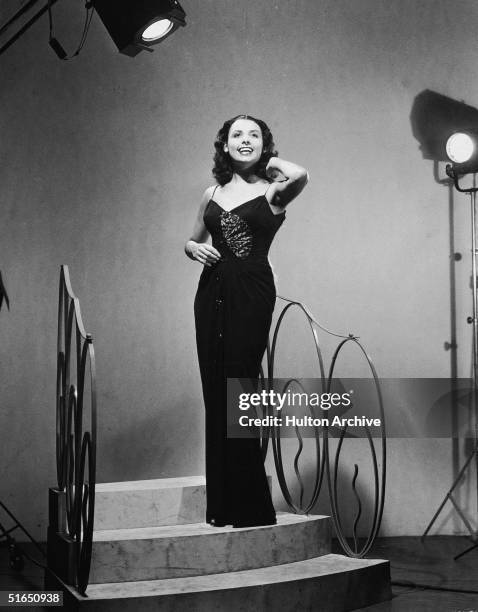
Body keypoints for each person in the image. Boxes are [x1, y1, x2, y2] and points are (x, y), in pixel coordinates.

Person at [185, 114, 308, 527]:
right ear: (223, 145)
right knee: (216, 392)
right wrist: (192, 248)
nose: (245, 140)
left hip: (252, 293)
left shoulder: (275, 191)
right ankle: (222, 506)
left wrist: (268, 161)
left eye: (254, 135)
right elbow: (191, 238)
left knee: (240, 389)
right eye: (236, 134)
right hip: (211, 295)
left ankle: (251, 506)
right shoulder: (212, 193)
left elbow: (300, 173)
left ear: (265, 145)